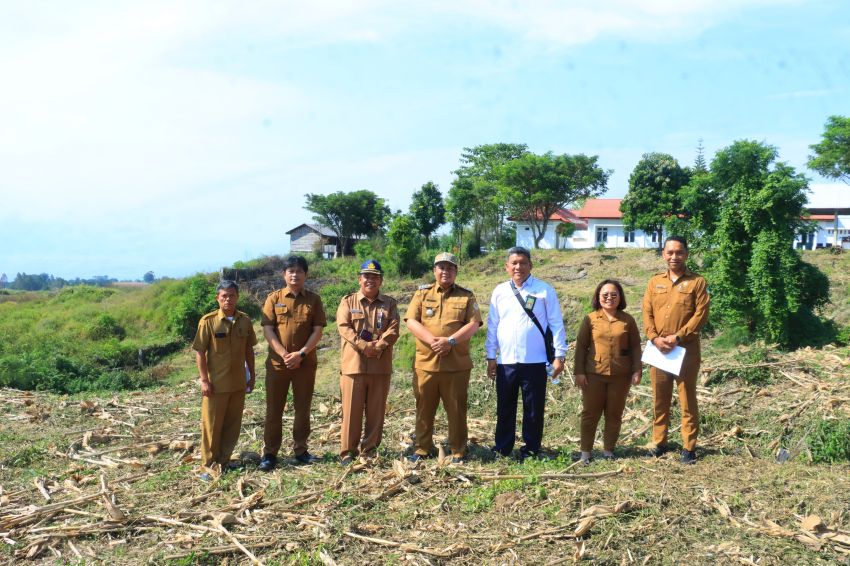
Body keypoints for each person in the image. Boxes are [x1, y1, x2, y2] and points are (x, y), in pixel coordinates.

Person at [486, 246, 568, 461]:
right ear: (506, 267)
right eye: (514, 263)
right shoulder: (499, 291)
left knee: (533, 409)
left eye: (523, 262)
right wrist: (491, 356)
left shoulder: (543, 290)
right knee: (505, 407)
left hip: (535, 361)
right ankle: (503, 448)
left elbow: (556, 324)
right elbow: (493, 326)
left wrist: (560, 356)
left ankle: (531, 449)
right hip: (506, 362)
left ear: (530, 265)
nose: (518, 267)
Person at [405, 252, 482, 464]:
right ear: (434, 271)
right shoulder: (422, 294)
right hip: (426, 363)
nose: (445, 271)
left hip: (455, 365)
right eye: (441, 267)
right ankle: (422, 448)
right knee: (424, 408)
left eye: (450, 268)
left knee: (456, 409)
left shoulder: (466, 296)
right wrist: (433, 341)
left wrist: (450, 342)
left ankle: (458, 450)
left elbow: (473, 324)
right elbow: (411, 321)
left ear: (456, 271)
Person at [642, 236, 710, 464]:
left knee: (687, 398)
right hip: (659, 350)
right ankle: (659, 442)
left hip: (686, 351)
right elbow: (647, 312)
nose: (674, 257)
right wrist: (653, 337)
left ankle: (689, 447)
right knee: (659, 399)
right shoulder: (654, 282)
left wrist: (678, 336)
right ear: (663, 254)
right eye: (669, 252)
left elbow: (701, 314)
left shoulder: (697, 282)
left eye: (679, 252)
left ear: (686, 254)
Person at [259, 255, 326, 471]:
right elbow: (268, 329)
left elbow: (318, 330)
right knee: (273, 409)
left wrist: (302, 354)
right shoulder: (273, 299)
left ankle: (301, 450)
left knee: (303, 408)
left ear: (306, 274)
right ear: (284, 274)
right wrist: (284, 354)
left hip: (304, 365)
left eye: (299, 271)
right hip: (278, 366)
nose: (295, 274)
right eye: (291, 271)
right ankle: (269, 453)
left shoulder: (314, 300)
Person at [336, 259, 400, 465]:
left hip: (380, 366)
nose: (370, 280)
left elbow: (394, 329)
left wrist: (378, 346)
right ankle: (348, 451)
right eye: (366, 276)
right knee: (351, 411)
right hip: (353, 366)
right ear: (359, 279)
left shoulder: (390, 303)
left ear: (381, 280)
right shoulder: (348, 301)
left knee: (376, 411)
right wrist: (364, 346)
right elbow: (344, 327)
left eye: (375, 277)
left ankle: (370, 449)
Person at [192, 280, 257, 480]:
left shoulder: (245, 320)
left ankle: (224, 462)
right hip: (215, 386)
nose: (228, 299)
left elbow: (249, 350)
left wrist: (252, 376)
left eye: (232, 295)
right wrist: (204, 380)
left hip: (238, 384)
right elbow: (200, 352)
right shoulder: (208, 321)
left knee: (232, 425)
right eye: (224, 296)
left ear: (237, 297)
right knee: (211, 427)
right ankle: (208, 467)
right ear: (218, 298)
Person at [573, 279, 642, 464]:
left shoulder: (628, 320)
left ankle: (608, 451)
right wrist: (579, 372)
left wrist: (637, 370)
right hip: (593, 375)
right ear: (598, 297)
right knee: (590, 413)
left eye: (614, 294)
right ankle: (586, 453)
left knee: (614, 414)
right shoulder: (590, 319)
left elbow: (635, 346)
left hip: (621, 375)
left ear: (620, 297)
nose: (609, 298)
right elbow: (581, 347)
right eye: (605, 295)